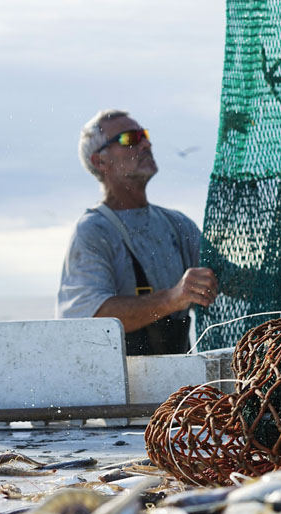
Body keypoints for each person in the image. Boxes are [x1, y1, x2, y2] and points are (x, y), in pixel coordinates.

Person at [55, 109, 218, 355]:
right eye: (129, 139)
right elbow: (90, 317)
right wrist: (173, 298)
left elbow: (229, 278)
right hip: (117, 389)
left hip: (181, 387)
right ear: (99, 161)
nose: (145, 144)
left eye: (144, 135)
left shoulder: (177, 224)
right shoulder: (93, 231)